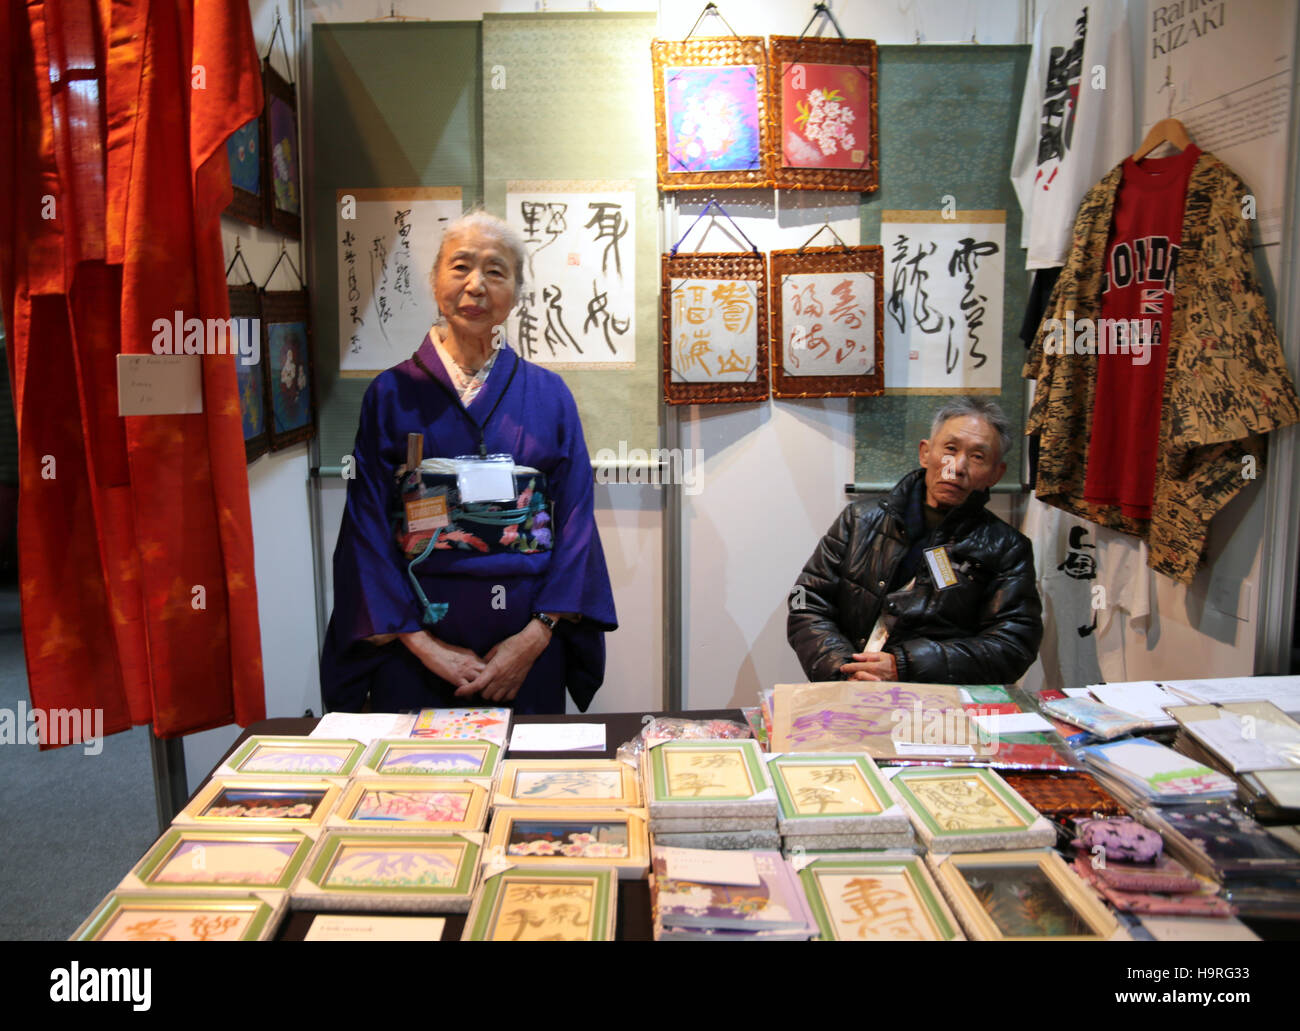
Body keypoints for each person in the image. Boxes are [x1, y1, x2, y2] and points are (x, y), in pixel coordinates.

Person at [321, 211, 617, 714]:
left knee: (524, 780)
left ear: (518, 291)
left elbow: (575, 524)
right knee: (418, 786)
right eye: (460, 267)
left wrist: (535, 637)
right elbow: (366, 529)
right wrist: (424, 646)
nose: (476, 286)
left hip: (526, 638)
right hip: (415, 639)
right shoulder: (391, 395)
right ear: (436, 282)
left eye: (496, 271)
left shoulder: (550, 395)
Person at [787, 397, 1042, 685]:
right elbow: (804, 601)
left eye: (977, 457)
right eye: (950, 449)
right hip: (847, 689)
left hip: (936, 708)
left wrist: (905, 665)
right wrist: (845, 670)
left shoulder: (1007, 548)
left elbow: (1014, 645)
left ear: (996, 474)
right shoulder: (859, 520)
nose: (957, 467)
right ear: (925, 453)